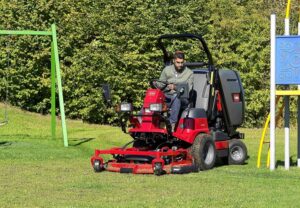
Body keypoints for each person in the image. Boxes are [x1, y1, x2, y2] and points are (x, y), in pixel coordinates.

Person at [159, 51, 194, 131]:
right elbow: (160, 84)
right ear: (173, 61)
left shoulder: (189, 73)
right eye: (178, 62)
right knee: (153, 96)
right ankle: (142, 121)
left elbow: (187, 89)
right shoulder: (166, 70)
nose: (180, 65)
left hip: (182, 98)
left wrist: (175, 87)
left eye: (182, 62)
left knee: (176, 97)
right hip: (167, 95)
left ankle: (171, 125)